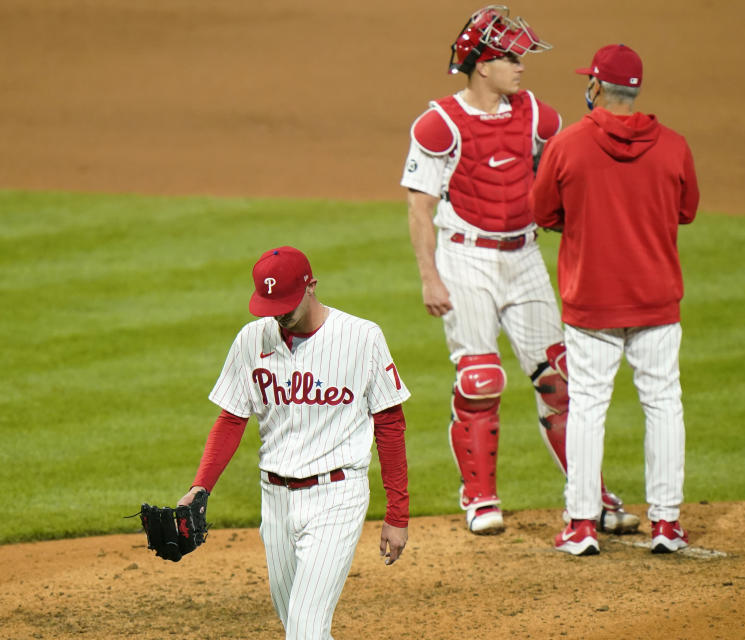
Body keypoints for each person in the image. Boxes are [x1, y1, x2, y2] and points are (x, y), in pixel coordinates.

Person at [400, 5, 638, 536]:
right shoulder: (438, 125)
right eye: (511, 56)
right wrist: (429, 276)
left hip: (524, 256)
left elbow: (567, 175)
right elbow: (420, 207)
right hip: (465, 258)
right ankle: (480, 497)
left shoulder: (538, 116)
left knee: (559, 381)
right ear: (482, 65)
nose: (521, 65)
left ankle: (589, 495)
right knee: (480, 379)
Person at [176, 246, 411, 638]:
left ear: (311, 287)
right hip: (275, 500)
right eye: (270, 304)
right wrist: (200, 486)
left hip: (338, 496)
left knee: (303, 630)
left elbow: (390, 425)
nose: (278, 313)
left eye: (285, 302)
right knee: (298, 624)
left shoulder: (361, 338)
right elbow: (232, 418)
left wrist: (397, 514)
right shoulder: (251, 340)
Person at [530, 43, 699, 555]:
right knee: (664, 404)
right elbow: (685, 211)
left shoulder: (567, 145)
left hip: (592, 304)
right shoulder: (674, 146)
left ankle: (581, 524)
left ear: (598, 87)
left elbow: (543, 212)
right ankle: (667, 524)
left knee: (586, 408)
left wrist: (587, 221)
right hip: (655, 300)